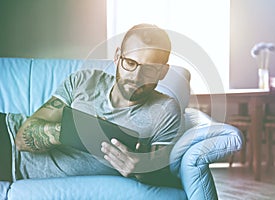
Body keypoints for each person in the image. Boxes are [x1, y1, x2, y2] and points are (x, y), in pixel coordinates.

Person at [0, 24, 182, 186]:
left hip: (11, 168)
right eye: (130, 63)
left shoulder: (165, 111)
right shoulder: (84, 80)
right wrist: (71, 132)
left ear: (163, 71)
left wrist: (140, 168)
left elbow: (166, 174)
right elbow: (21, 138)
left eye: (149, 69)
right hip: (6, 133)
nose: (136, 77)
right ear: (118, 57)